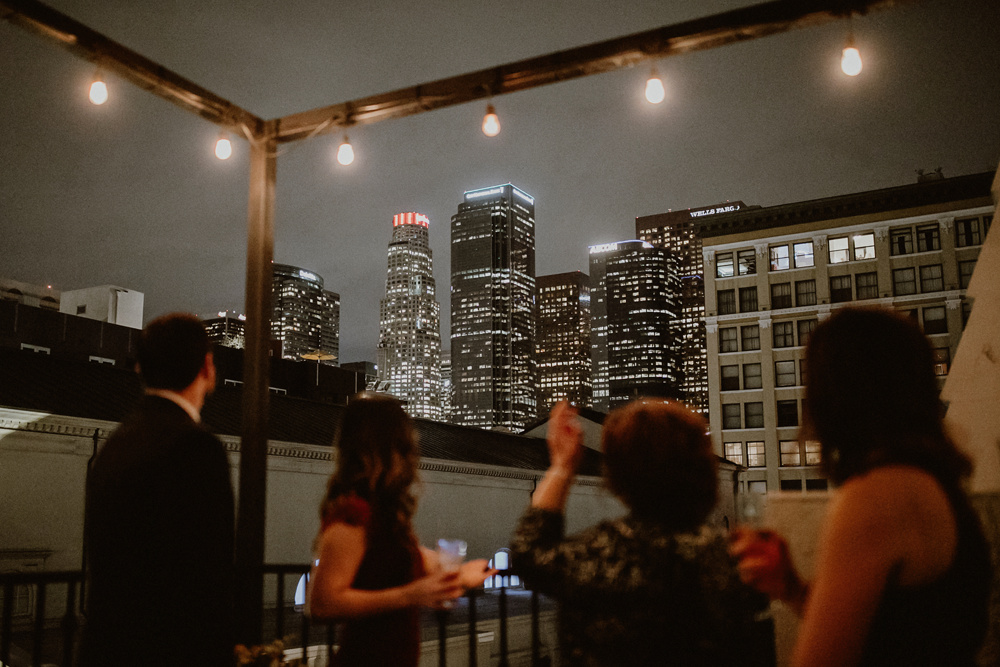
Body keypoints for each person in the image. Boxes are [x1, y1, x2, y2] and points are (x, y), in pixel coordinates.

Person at [730, 307, 991, 667]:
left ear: (834, 392)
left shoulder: (877, 497)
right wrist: (791, 588)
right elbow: (896, 635)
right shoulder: (932, 482)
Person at [510, 400, 767, 666]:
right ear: (704, 471)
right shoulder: (735, 563)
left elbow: (528, 550)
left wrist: (562, 466)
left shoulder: (597, 555)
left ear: (618, 477)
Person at [79, 313, 234, 666]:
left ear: (140, 370)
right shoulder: (196, 447)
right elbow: (208, 576)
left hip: (107, 646)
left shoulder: (115, 444)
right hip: (167, 649)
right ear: (207, 368)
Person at [308, 393, 495, 666]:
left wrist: (460, 576)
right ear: (384, 447)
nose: (411, 454)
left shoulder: (383, 513)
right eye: (405, 444)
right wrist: (412, 594)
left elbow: (406, 559)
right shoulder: (354, 513)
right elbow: (323, 604)